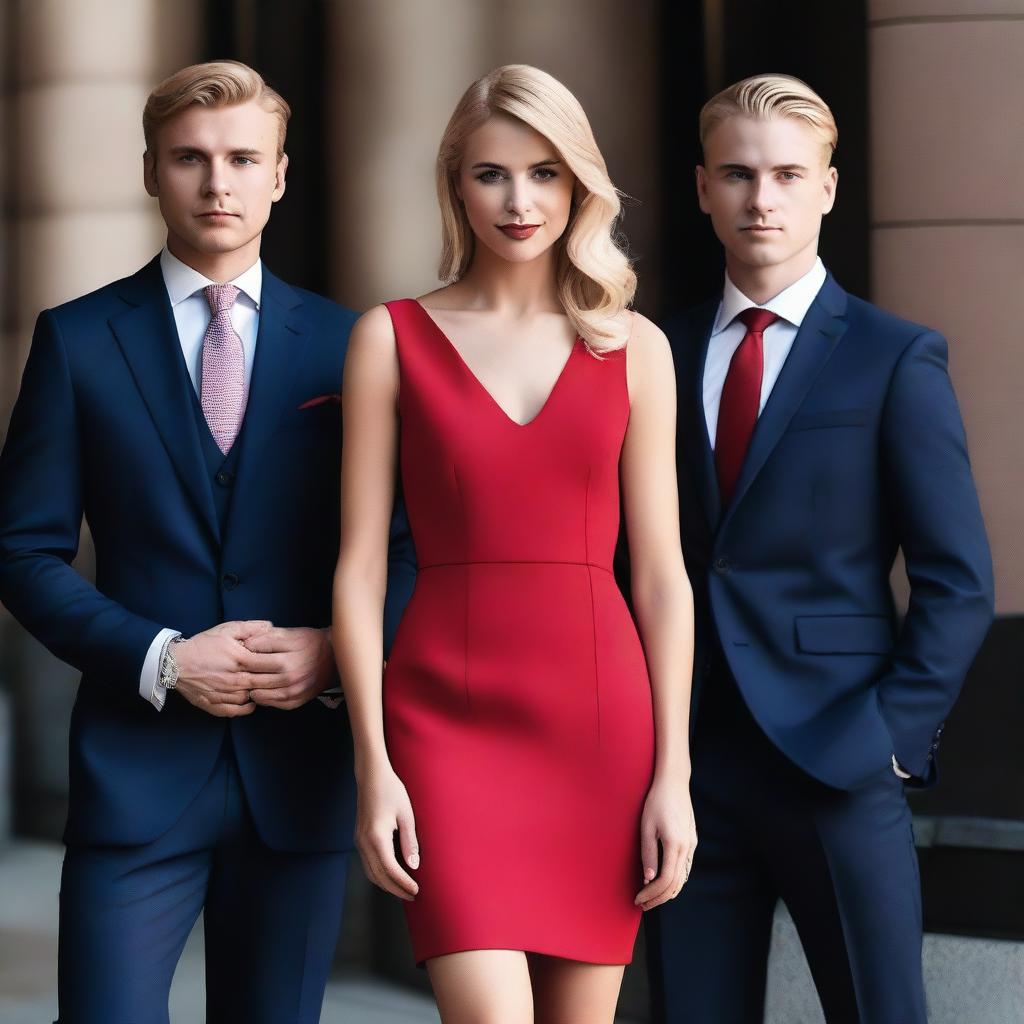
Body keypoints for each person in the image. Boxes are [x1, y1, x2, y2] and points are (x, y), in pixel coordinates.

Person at [0, 60, 414, 1023]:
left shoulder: (359, 343)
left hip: (299, 773)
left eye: (240, 159)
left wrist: (335, 655)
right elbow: (21, 549)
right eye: (189, 158)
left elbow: (406, 543)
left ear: (278, 174)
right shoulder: (77, 339)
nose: (216, 182)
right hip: (134, 772)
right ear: (151, 170)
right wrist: (161, 657)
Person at [332, 64, 696, 1023]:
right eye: (491, 173)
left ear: (580, 184)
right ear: (456, 183)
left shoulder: (635, 348)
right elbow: (360, 568)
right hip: (445, 728)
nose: (519, 199)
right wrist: (374, 764)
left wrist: (674, 775)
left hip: (599, 728)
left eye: (544, 172)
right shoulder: (390, 337)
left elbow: (660, 576)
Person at [647, 74, 994, 1023]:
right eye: (739, 174)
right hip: (684, 769)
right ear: (702, 188)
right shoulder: (652, 352)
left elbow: (958, 579)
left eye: (789, 175)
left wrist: (888, 737)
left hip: (836, 756)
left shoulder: (893, 356)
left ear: (828, 189)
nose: (763, 198)